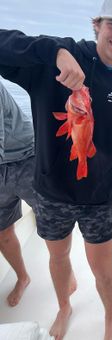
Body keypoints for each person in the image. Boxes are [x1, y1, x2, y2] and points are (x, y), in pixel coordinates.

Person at [0, 0, 112, 339]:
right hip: (50, 192)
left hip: (99, 197)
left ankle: (110, 318)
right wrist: (55, 51)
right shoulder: (57, 62)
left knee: (102, 265)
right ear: (97, 25)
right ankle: (65, 305)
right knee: (58, 257)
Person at [0, 80, 35, 306]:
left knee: (53, 224)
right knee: (2, 231)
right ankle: (23, 277)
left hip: (27, 158)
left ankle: (66, 273)